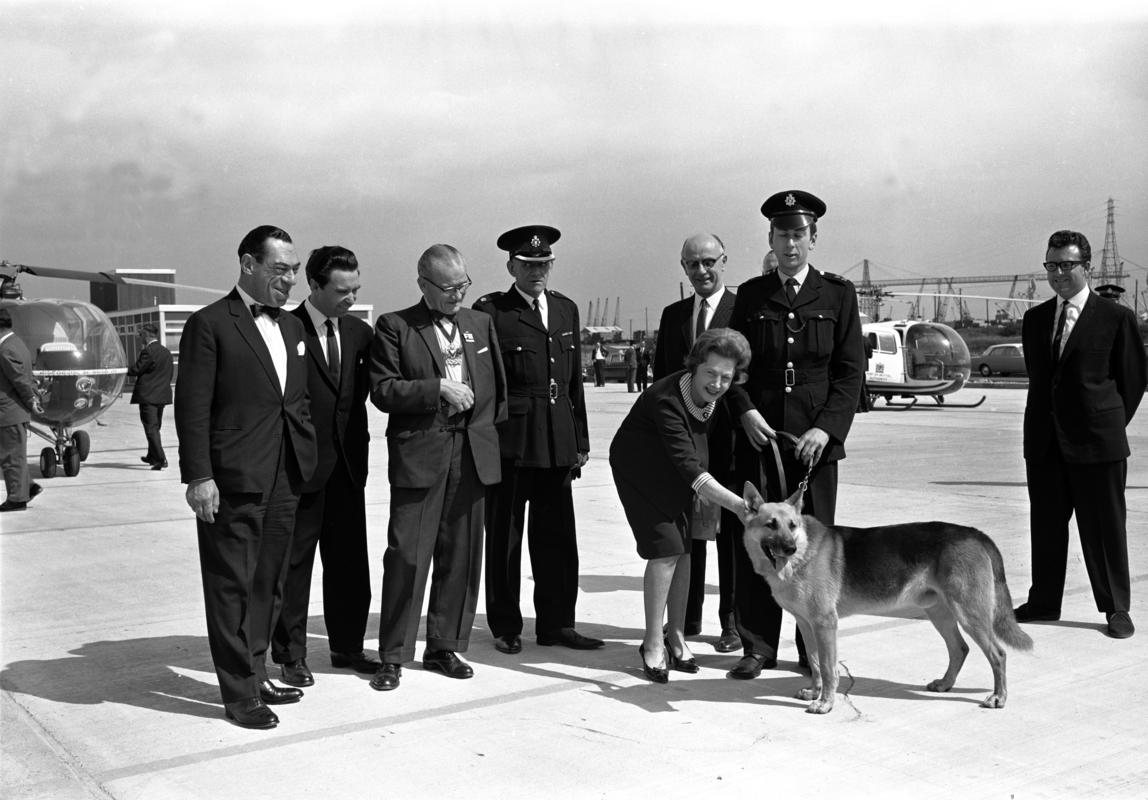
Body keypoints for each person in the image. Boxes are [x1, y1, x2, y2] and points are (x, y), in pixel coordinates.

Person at [174, 225, 318, 729]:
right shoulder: (210, 324)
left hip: (286, 475)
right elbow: (192, 407)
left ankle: (256, 672)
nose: (290, 280)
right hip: (233, 477)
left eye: (295, 270)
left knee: (268, 584)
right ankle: (237, 694)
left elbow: (294, 402)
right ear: (248, 264)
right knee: (231, 585)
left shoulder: (295, 328)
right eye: (280, 269)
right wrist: (199, 477)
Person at [724, 190, 865, 678]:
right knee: (759, 539)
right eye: (781, 234)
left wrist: (826, 429)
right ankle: (757, 646)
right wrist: (743, 411)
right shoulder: (751, 295)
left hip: (814, 447)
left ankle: (811, 653)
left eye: (799, 234)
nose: (790, 243)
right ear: (770, 238)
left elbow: (850, 374)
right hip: (763, 439)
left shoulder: (838, 295)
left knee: (813, 547)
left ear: (813, 237)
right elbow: (734, 367)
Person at [368, 244, 507, 691]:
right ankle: (393, 654)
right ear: (422, 284)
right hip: (421, 455)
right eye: (447, 288)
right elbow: (383, 390)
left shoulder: (480, 324)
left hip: (471, 453)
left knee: (462, 555)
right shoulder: (395, 326)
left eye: (463, 285)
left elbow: (497, 389)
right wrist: (438, 388)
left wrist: (482, 432)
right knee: (408, 555)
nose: (456, 296)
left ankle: (444, 646)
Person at [473, 224, 601, 654]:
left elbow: (573, 384)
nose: (537, 271)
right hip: (513, 441)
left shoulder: (565, 310)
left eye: (544, 264)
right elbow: (485, 380)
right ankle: (507, 625)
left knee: (558, 539)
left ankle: (557, 623)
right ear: (512, 266)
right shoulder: (491, 310)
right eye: (528, 265)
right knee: (505, 539)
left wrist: (579, 438)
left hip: (557, 440)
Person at [1014, 230, 1146, 639]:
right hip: (1045, 444)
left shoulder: (1115, 317)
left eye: (1067, 265)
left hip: (1097, 444)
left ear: (1086, 267)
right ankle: (1044, 601)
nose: (1058, 274)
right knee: (1046, 526)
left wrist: (1103, 424)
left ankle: (1115, 608)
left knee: (1104, 529)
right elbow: (1041, 380)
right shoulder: (1034, 319)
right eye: (1051, 265)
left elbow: (1134, 380)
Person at [611, 328, 752, 682]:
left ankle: (676, 635)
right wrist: (738, 505)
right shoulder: (666, 398)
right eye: (710, 373)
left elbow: (697, 451)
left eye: (726, 377)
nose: (718, 384)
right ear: (694, 367)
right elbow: (687, 464)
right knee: (665, 550)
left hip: (681, 470)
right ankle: (652, 642)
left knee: (687, 549)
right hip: (641, 472)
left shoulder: (714, 394)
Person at [272, 246, 378, 688]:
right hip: (299, 470)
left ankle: (347, 647)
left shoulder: (359, 333)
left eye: (355, 290)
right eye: (341, 290)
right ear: (314, 285)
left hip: (348, 469)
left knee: (350, 563)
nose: (350, 299)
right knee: (294, 567)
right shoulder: (283, 328)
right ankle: (291, 654)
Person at [652, 233, 739, 653]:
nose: (702, 271)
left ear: (724, 260)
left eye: (709, 262)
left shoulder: (743, 308)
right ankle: (685, 620)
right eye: (693, 264)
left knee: (733, 529)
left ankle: (733, 622)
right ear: (683, 267)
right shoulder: (673, 316)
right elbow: (661, 381)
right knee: (688, 529)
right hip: (685, 441)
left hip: (731, 438)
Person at [0, 308, 43, 512]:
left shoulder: (6, 349)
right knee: (12, 454)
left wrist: (32, 399)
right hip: (13, 411)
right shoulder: (16, 343)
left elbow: (20, 379)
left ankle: (17, 499)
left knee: (11, 457)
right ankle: (28, 486)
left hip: (9, 412)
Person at [127, 322, 173, 470]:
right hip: (162, 396)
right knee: (155, 426)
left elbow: (136, 369)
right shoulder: (166, 352)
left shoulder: (148, 351)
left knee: (151, 428)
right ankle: (152, 456)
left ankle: (160, 459)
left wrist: (123, 369)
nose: (141, 338)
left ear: (147, 335)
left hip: (149, 397)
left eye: (141, 335)